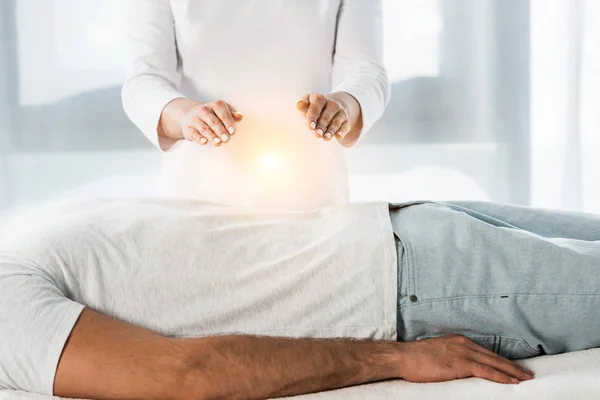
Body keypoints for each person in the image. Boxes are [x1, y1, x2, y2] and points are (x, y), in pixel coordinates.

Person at [1, 197, 600, 399]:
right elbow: (184, 375)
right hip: (416, 262)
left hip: (418, 249)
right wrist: (394, 358)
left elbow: (186, 374)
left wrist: (392, 361)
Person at [121, 0, 390, 210]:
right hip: (199, 197)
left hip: (312, 198)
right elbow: (144, 79)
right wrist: (186, 115)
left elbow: (366, 72)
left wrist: (344, 105)